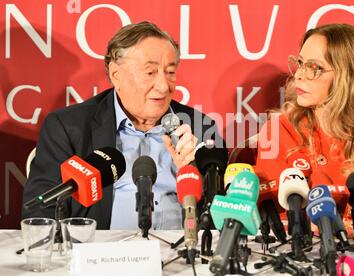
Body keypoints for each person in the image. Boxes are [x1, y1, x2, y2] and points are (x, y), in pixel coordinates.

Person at [22, 21, 222, 230]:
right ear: (116, 74)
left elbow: (220, 215)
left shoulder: (200, 127)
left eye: (170, 72)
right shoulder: (69, 128)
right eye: (150, 72)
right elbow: (40, 214)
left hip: (181, 255)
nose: (164, 86)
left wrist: (191, 172)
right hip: (100, 253)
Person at [254, 23, 354, 218]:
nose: (299, 75)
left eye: (314, 68)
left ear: (348, 76)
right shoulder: (278, 130)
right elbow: (278, 215)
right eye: (300, 63)